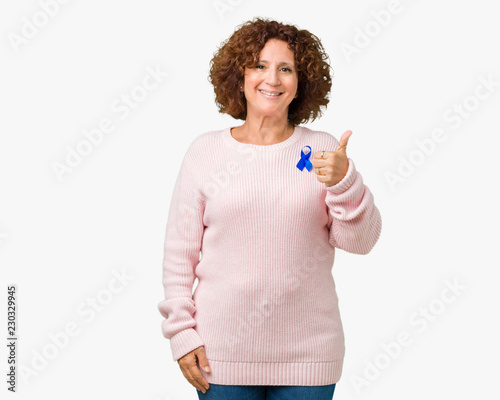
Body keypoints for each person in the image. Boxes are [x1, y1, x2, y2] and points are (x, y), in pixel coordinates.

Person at [157, 17, 382, 400]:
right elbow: (180, 255)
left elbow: (360, 242)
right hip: (220, 355)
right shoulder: (205, 152)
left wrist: (345, 181)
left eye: (286, 69)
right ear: (239, 76)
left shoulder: (320, 150)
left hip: (308, 357)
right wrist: (181, 334)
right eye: (259, 65)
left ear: (301, 82)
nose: (272, 79)